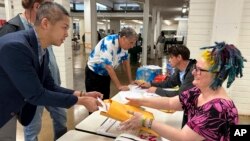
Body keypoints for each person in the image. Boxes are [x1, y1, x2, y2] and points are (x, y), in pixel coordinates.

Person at [0, 2, 102, 141]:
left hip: (9, 109)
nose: (67, 34)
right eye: (64, 28)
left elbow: (50, 85)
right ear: (45, 23)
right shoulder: (16, 46)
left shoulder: (42, 50)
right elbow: (36, 94)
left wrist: (83, 94)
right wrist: (81, 101)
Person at [120, 42, 245, 141]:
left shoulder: (219, 108)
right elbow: (170, 103)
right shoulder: (198, 92)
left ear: (217, 75)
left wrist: (145, 121)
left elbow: (184, 137)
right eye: (195, 68)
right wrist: (140, 101)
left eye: (200, 70)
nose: (194, 72)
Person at [0, 0, 68, 140]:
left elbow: (46, 62)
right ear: (37, 7)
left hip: (47, 85)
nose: (67, 34)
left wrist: (77, 95)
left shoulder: (43, 34)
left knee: (60, 118)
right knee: (32, 126)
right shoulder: (13, 30)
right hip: (29, 90)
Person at [135, 45, 196, 127]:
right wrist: (150, 84)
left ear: (179, 57)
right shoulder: (179, 69)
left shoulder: (192, 72)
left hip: (194, 111)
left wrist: (157, 90)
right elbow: (169, 83)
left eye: (171, 57)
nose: (169, 60)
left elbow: (181, 95)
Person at [85, 27, 137, 100]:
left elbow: (126, 63)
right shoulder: (108, 43)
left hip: (105, 74)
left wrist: (130, 80)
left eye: (133, 44)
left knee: (105, 98)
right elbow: (108, 67)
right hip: (93, 74)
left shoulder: (124, 46)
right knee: (95, 101)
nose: (131, 46)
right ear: (124, 38)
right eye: (131, 43)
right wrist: (119, 86)